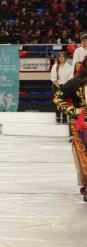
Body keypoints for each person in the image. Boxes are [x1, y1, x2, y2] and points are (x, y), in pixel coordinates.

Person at [53, 57, 87, 202]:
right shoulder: (75, 82)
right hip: (81, 123)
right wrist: (74, 111)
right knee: (84, 154)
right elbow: (57, 98)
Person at [51, 52, 73, 124]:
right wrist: (59, 87)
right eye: (60, 56)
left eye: (63, 56)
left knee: (65, 102)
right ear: (58, 57)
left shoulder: (70, 67)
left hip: (66, 87)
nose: (61, 57)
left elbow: (71, 78)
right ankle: (58, 117)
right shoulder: (55, 66)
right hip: (57, 86)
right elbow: (53, 78)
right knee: (58, 102)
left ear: (65, 57)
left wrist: (65, 87)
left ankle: (64, 117)